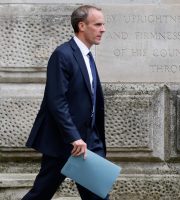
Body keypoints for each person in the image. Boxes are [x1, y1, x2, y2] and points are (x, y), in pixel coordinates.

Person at [22, 5, 108, 200]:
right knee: (41, 193)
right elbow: (56, 100)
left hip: (87, 141)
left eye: (103, 24)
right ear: (82, 26)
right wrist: (73, 137)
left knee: (97, 196)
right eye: (98, 24)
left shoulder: (87, 56)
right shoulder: (63, 54)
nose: (103, 29)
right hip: (66, 142)